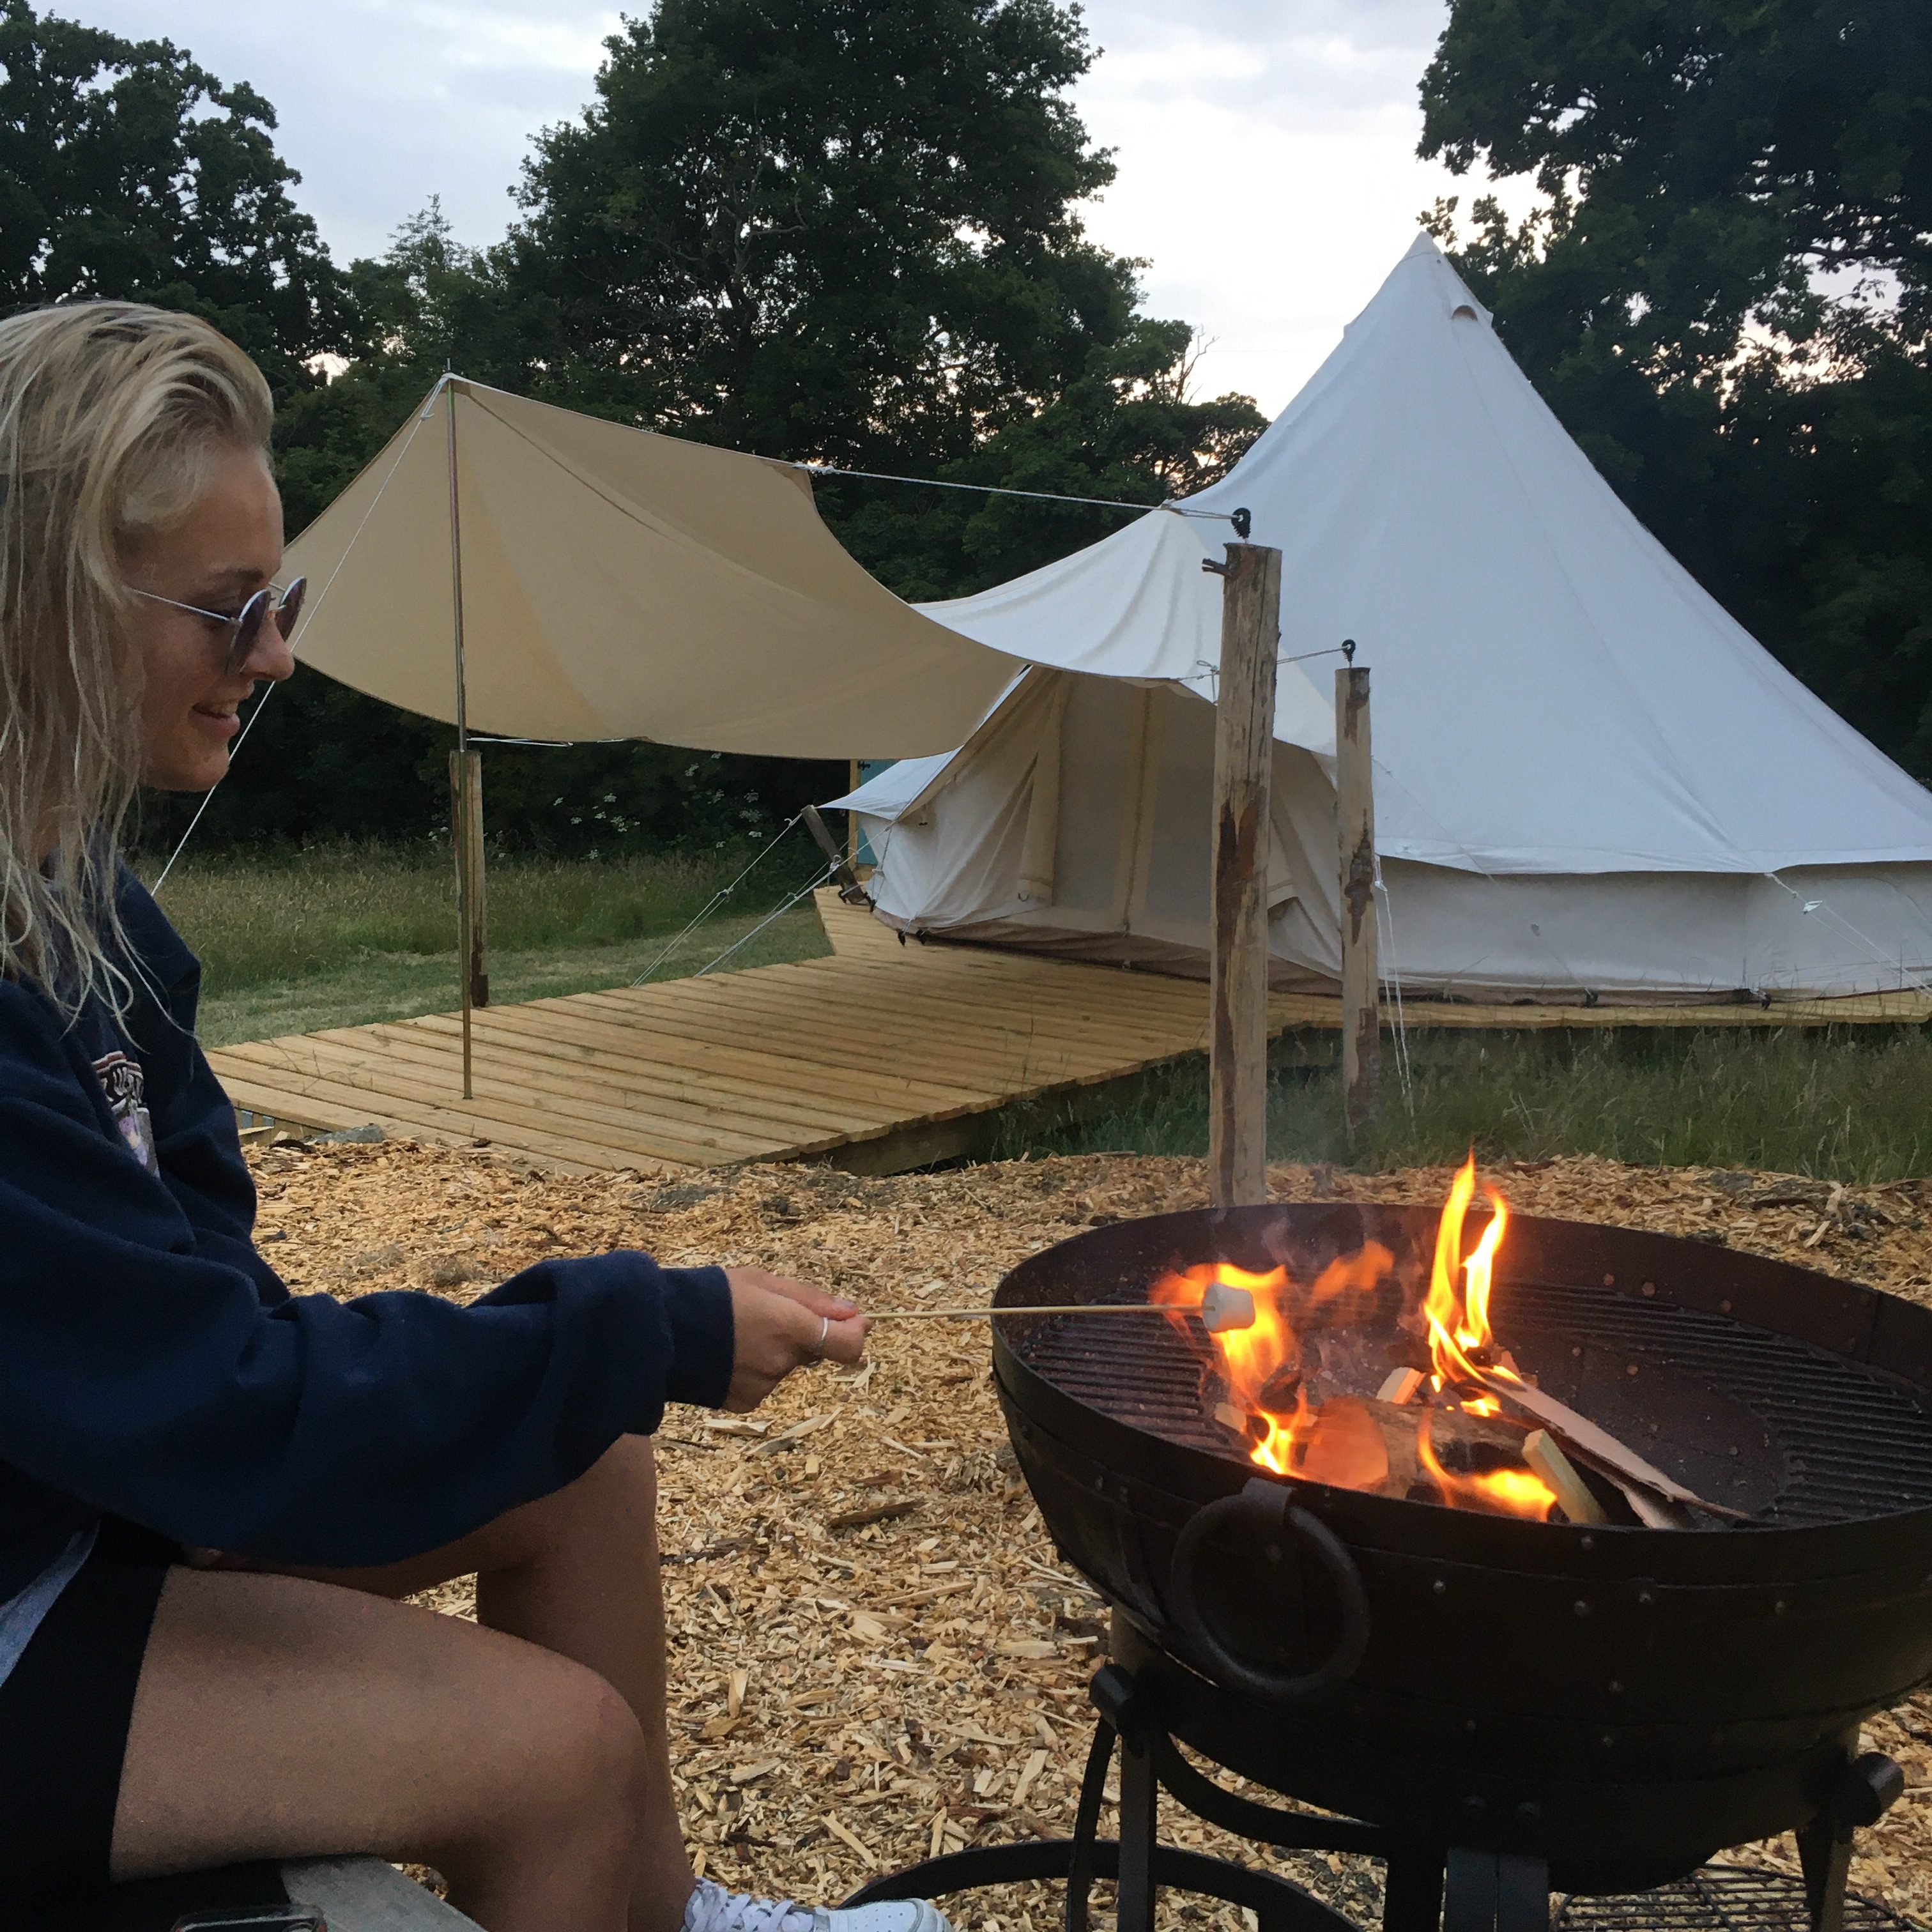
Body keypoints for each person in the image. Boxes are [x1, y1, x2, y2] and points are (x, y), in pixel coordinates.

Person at [0, 302, 952, 1932]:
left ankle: (654, 1907)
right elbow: (223, 1403)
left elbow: (211, 1323)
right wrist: (640, 1322)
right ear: (39, 612)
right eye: (232, 613)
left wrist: (597, 1356)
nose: (277, 658)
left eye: (280, 604)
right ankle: (604, 1856)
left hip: (80, 1492)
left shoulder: (85, 912)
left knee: (588, 1466)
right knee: (555, 1749)